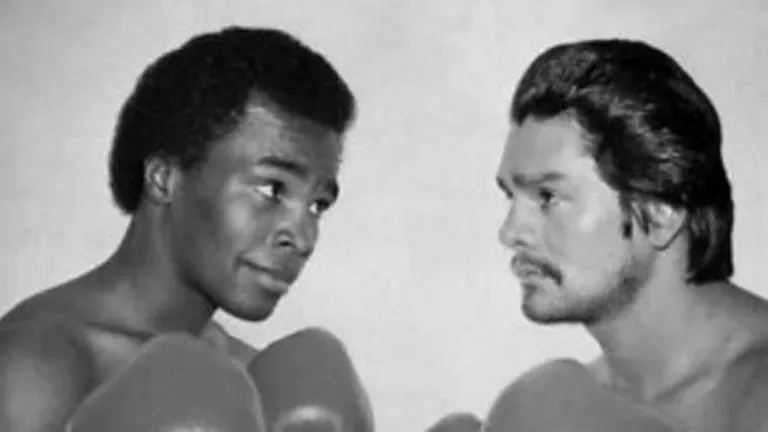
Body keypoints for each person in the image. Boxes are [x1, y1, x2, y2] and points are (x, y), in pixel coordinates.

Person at [0, 25, 356, 431]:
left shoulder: (253, 377)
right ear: (164, 177)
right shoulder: (35, 368)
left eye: (317, 204)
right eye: (272, 189)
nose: (303, 237)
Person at [494, 38, 768, 431]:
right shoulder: (552, 407)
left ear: (660, 213)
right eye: (510, 196)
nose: (510, 233)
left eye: (548, 197)